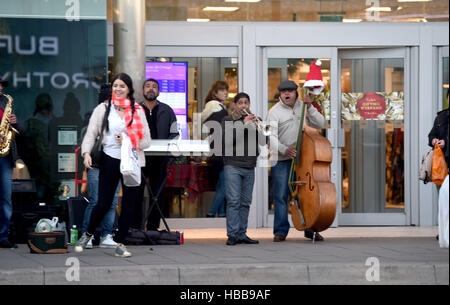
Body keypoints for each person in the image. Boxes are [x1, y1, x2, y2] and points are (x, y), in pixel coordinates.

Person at [76, 73, 151, 258]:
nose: (118, 89)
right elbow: (91, 134)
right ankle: (87, 234)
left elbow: (147, 141)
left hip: (132, 161)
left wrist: (128, 139)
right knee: (103, 202)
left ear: (129, 90)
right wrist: (86, 154)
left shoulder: (137, 110)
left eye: (122, 86)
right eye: (115, 85)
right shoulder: (103, 108)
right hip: (109, 158)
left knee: (129, 205)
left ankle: (121, 243)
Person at [266, 80, 326, 243]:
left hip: (304, 159)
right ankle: (280, 231)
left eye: (290, 91)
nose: (286, 94)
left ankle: (310, 229)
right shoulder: (273, 112)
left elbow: (321, 123)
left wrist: (311, 107)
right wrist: (284, 149)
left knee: (306, 195)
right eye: (283, 91)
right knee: (280, 195)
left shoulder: (304, 106)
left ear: (296, 93)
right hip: (282, 159)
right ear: (280, 94)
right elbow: (270, 137)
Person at [222, 92, 267, 245]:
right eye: (240, 103)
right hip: (233, 165)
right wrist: (244, 125)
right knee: (234, 201)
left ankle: (242, 233)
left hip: (249, 165)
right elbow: (228, 141)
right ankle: (232, 235)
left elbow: (263, 141)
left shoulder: (255, 120)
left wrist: (258, 128)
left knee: (245, 202)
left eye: (246, 103)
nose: (243, 106)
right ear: (235, 105)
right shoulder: (228, 120)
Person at [80, 84, 120, 249]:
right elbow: (87, 138)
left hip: (113, 163)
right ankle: (86, 235)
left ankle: (106, 235)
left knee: (111, 201)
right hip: (97, 164)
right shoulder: (93, 116)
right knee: (97, 200)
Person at [136, 78, 178, 230]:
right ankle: (136, 227)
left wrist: (167, 147)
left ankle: (153, 227)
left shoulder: (167, 110)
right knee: (137, 194)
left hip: (160, 159)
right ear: (142, 91)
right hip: (139, 158)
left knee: (158, 195)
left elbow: (174, 133)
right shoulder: (136, 110)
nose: (151, 89)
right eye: (147, 86)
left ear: (158, 92)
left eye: (154, 87)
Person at [201, 81, 229, 218]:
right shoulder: (217, 108)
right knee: (224, 184)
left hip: (216, 150)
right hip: (221, 150)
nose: (225, 93)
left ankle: (222, 212)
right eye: (222, 90)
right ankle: (212, 212)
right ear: (215, 93)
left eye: (226, 90)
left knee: (221, 182)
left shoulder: (213, 108)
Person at [0, 78, 21, 248]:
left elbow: (21, 132)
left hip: (4, 157)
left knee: (6, 198)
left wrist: (15, 123)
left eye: (1, 85)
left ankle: (3, 236)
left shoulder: (4, 103)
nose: (0, 87)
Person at [428, 89, 449, 171]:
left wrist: (445, 142)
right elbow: (432, 134)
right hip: (441, 165)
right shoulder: (441, 116)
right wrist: (434, 140)